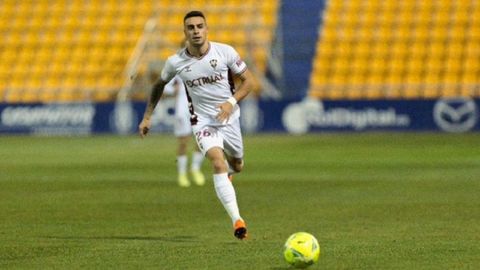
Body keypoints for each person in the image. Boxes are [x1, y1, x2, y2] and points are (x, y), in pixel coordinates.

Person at [138, 10, 253, 240]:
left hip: (229, 119)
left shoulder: (225, 52)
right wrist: (147, 116)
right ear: (185, 32)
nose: (196, 31)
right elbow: (159, 85)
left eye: (200, 26)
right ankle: (237, 221)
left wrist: (231, 102)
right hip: (202, 122)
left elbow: (249, 81)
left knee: (237, 165)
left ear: (207, 29)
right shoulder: (176, 62)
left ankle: (230, 175)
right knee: (218, 163)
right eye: (191, 27)